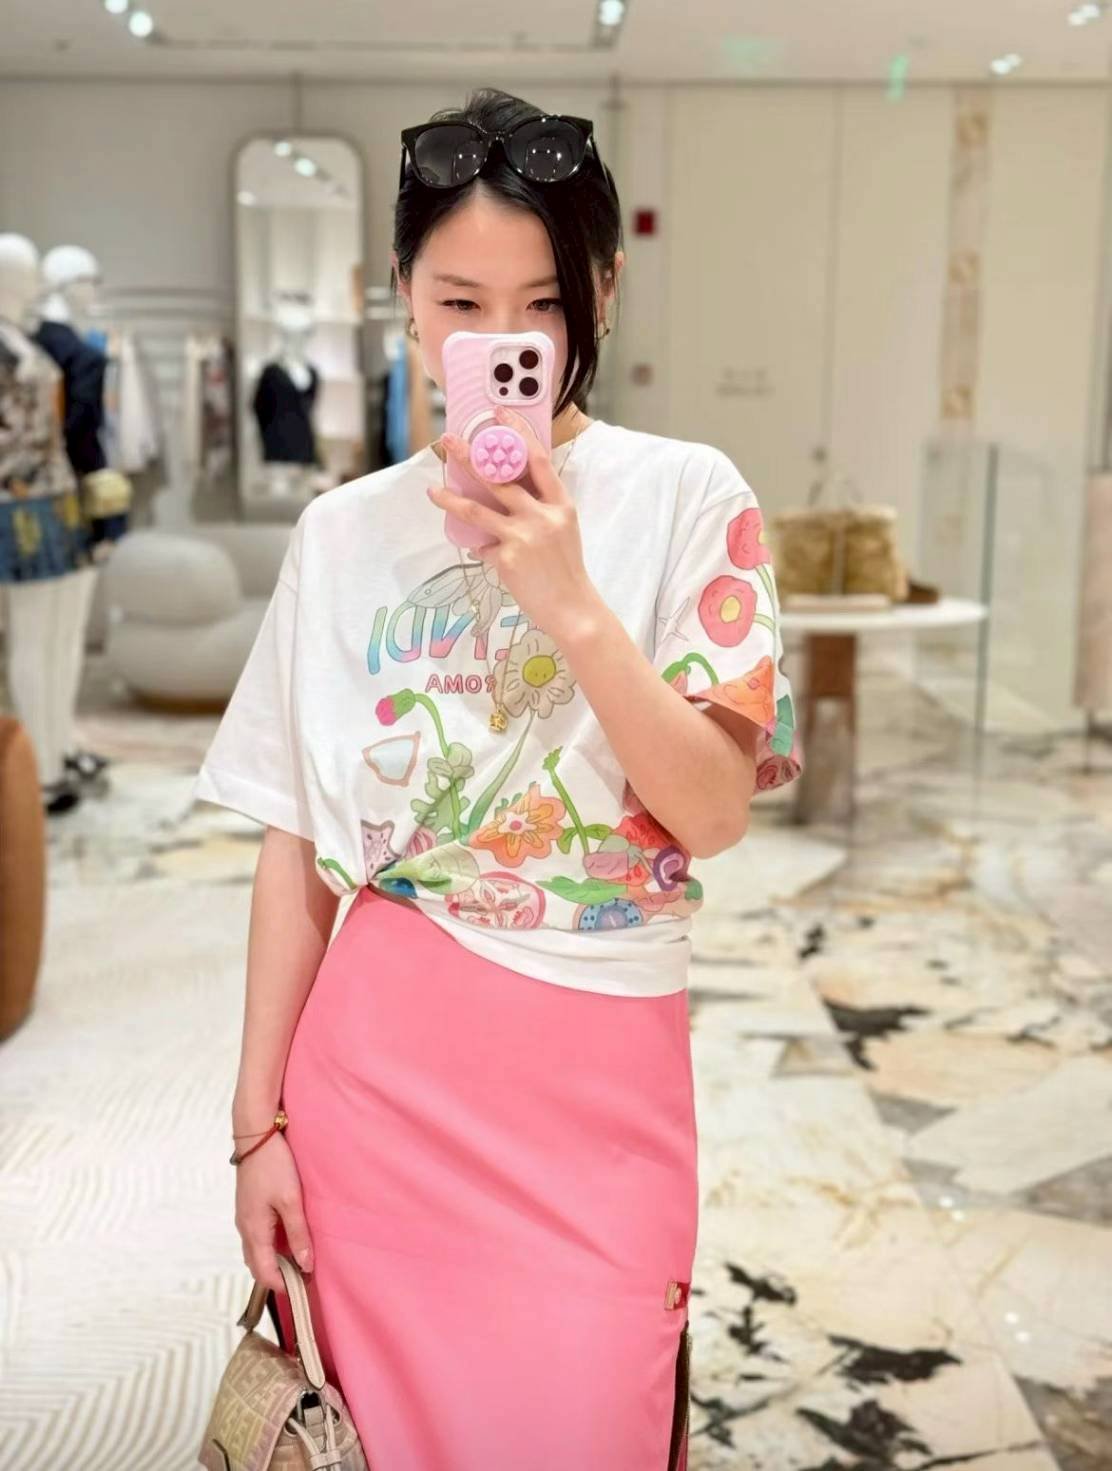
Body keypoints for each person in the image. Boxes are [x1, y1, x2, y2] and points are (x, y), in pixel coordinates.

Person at [193, 86, 802, 1471]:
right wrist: (255, 1127)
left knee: (588, 1419)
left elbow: (712, 813)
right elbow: (296, 849)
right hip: (375, 1086)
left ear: (602, 293)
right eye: (459, 303)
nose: (500, 342)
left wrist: (570, 600)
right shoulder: (342, 533)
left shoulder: (691, 496)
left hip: (600, 1091)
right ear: (402, 297)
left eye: (540, 306)